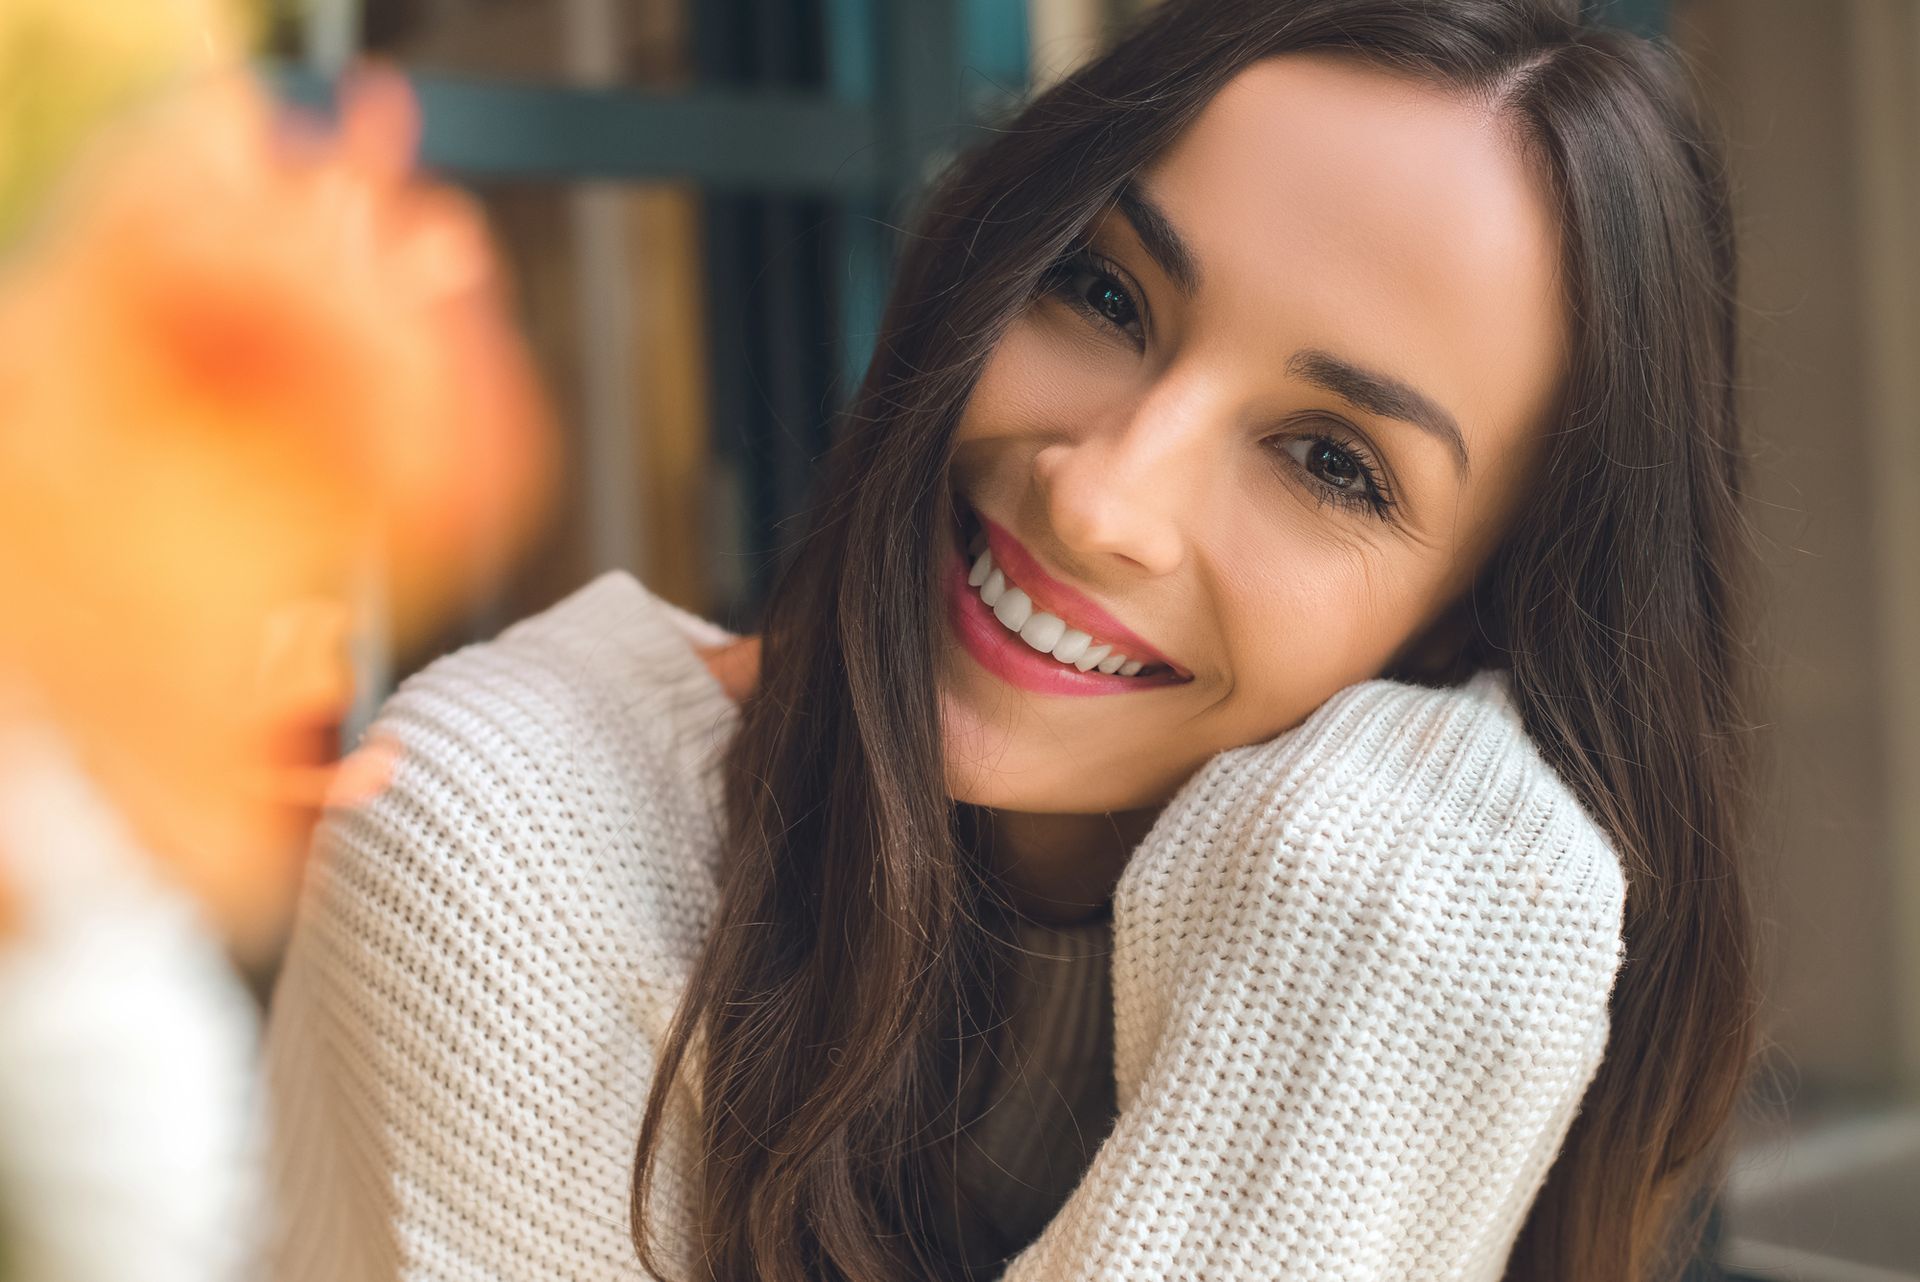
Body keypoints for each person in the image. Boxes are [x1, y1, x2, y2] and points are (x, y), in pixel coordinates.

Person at [261, 1, 1763, 1280]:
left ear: (1477, 624)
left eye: (1329, 460)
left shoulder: (1432, 910)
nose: (1104, 491)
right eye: (1102, 291)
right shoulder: (498, 832)